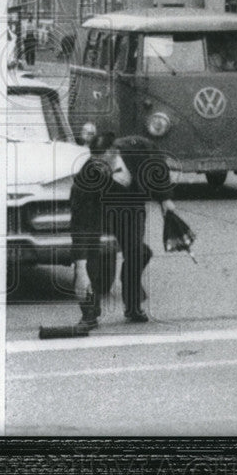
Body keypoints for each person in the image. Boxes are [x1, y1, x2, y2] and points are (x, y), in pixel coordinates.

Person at [70, 132, 177, 329]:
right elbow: (80, 223)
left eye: (103, 161)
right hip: (98, 210)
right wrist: (80, 265)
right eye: (95, 162)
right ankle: (89, 313)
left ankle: (133, 305)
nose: (98, 167)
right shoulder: (87, 177)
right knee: (90, 261)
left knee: (138, 252)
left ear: (114, 151)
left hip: (131, 205)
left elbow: (157, 163)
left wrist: (165, 197)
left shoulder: (136, 148)